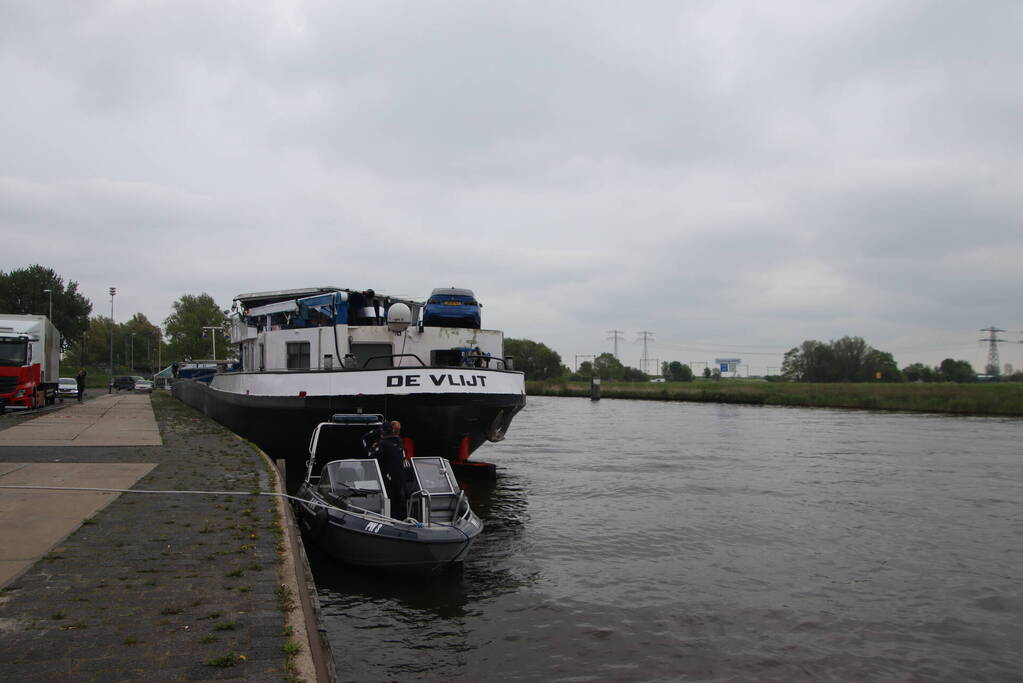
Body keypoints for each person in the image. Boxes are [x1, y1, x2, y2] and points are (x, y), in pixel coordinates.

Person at [374, 420, 408, 518]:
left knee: (396, 497)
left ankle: (397, 516)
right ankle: (396, 515)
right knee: (396, 497)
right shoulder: (396, 441)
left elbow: (377, 456)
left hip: (393, 476)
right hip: (393, 476)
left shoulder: (386, 443)